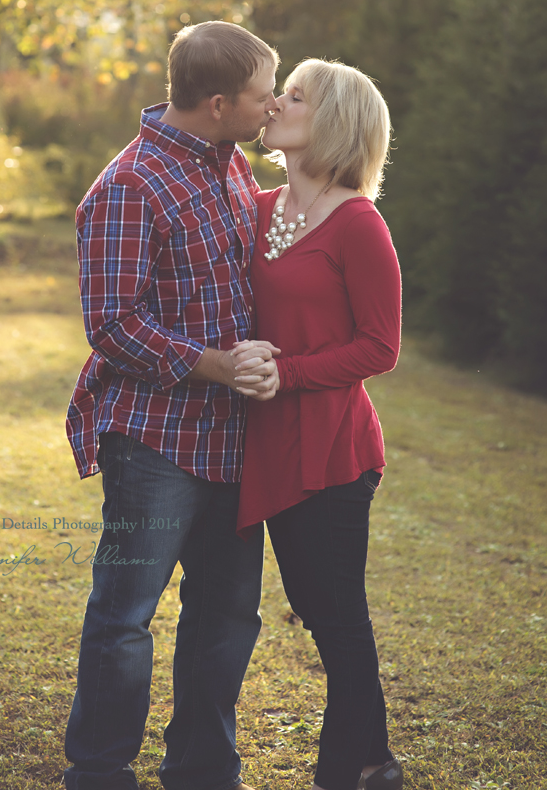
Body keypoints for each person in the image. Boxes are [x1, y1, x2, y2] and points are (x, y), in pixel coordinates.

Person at [64, 20, 281, 790]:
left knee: (228, 615)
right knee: (125, 618)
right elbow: (111, 323)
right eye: (264, 94)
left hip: (232, 437)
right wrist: (216, 364)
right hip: (154, 442)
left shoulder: (232, 167)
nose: (274, 105)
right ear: (219, 101)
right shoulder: (130, 185)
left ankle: (200, 767)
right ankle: (98, 770)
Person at [232, 58, 403, 790]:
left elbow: (381, 345)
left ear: (331, 122)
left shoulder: (360, 223)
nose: (275, 101)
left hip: (334, 448)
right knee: (318, 607)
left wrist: (289, 373)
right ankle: (379, 759)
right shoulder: (261, 207)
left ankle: (343, 774)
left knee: (335, 616)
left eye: (293, 95)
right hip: (268, 442)